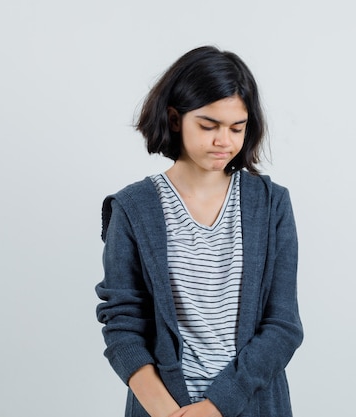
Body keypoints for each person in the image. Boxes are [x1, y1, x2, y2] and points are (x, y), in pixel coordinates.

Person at [95, 45, 303, 417]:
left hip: (254, 405)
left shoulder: (271, 205)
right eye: (208, 126)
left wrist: (218, 405)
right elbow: (123, 325)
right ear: (175, 119)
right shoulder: (131, 208)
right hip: (163, 409)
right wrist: (166, 411)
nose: (224, 140)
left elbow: (283, 325)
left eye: (236, 127)